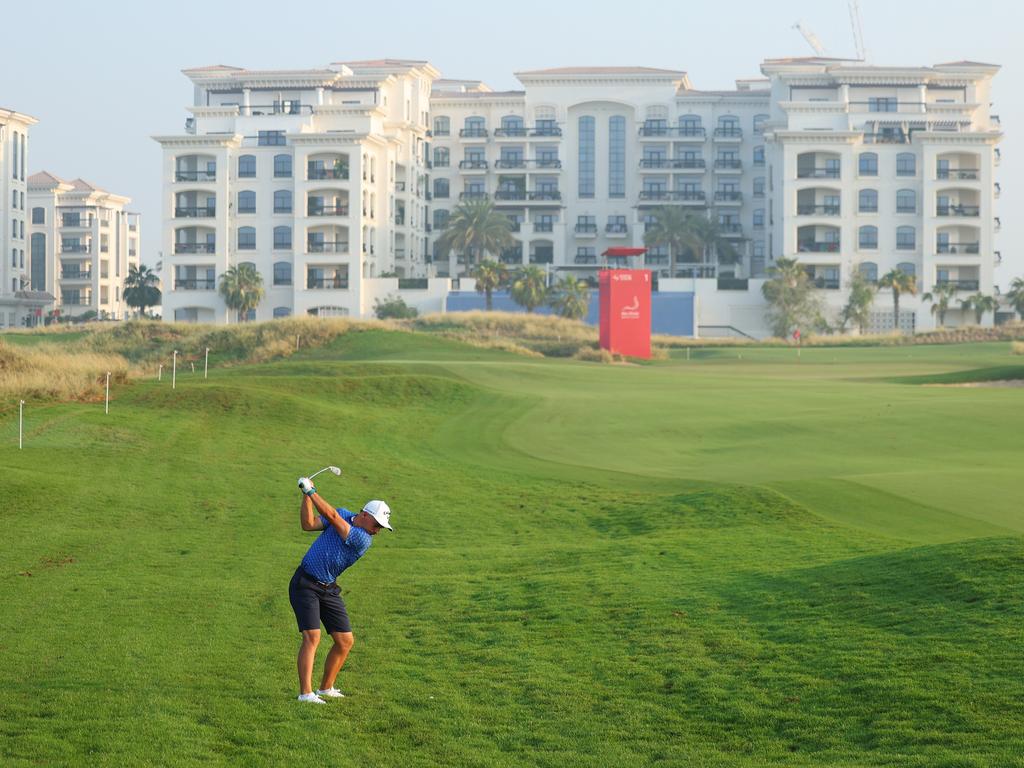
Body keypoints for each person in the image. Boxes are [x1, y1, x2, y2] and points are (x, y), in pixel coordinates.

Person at [288, 476, 392, 703]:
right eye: (377, 525)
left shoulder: (363, 539)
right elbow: (308, 524)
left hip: (328, 588)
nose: (377, 531)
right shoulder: (345, 514)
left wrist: (312, 492)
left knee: (345, 641)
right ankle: (306, 694)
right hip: (305, 584)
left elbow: (332, 517)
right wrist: (306, 496)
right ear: (365, 515)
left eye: (381, 528)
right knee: (312, 637)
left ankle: (326, 688)